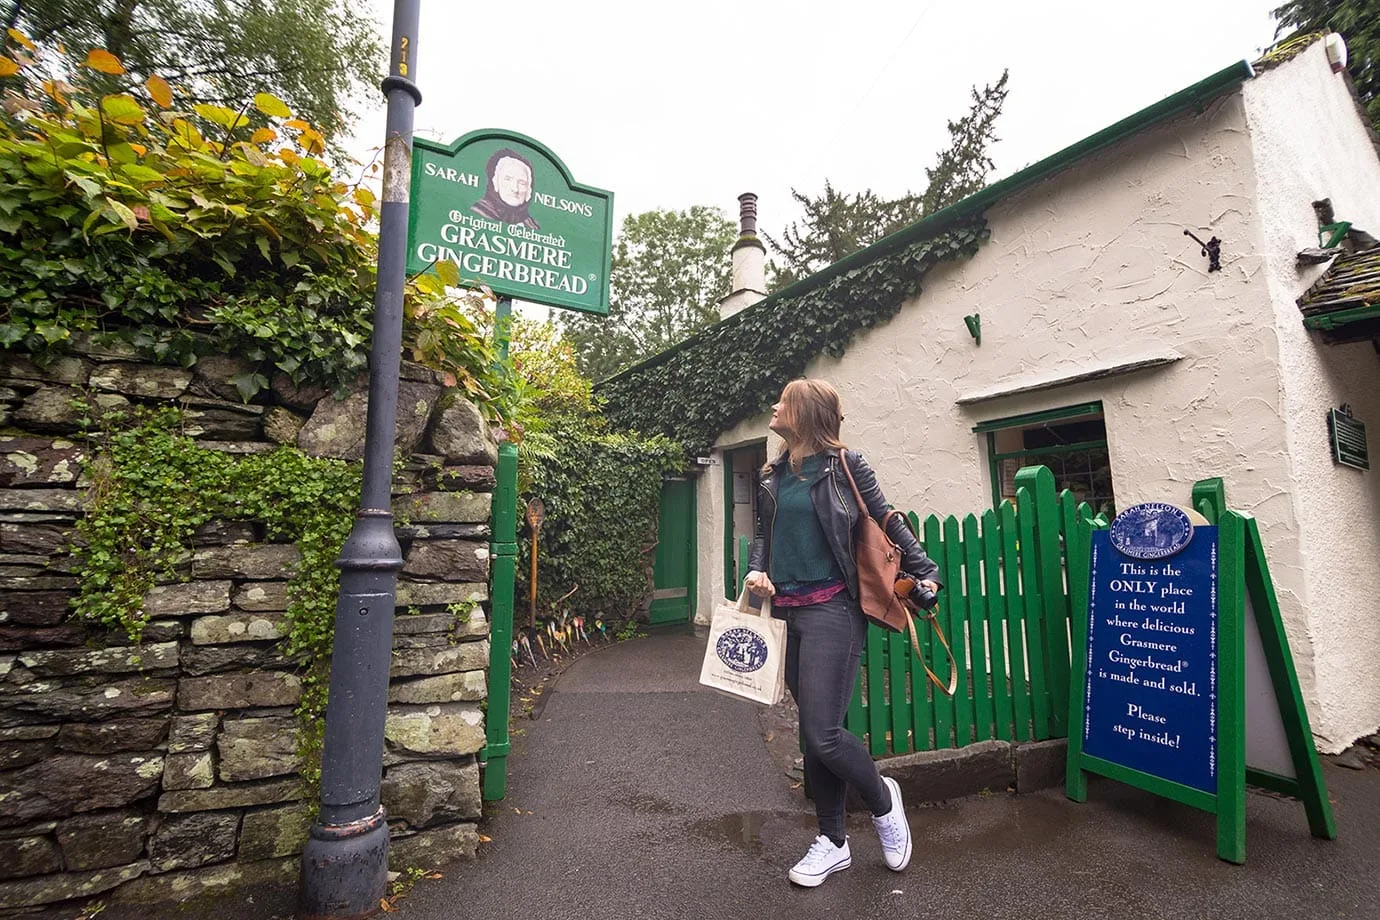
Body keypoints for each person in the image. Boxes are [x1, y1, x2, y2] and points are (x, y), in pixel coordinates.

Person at [744, 378, 940, 888]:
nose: (774, 405)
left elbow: (886, 517)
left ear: (805, 413)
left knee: (823, 733)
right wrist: (755, 570)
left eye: (782, 401)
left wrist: (925, 570)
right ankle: (833, 842)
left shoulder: (846, 467)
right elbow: (764, 535)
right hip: (784, 610)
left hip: (833, 608)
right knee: (813, 734)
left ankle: (882, 800)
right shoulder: (771, 473)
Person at [471, 147, 540, 229]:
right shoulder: (477, 213)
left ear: (529, 191)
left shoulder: (532, 227)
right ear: (495, 182)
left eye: (522, 183)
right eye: (508, 179)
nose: (515, 189)